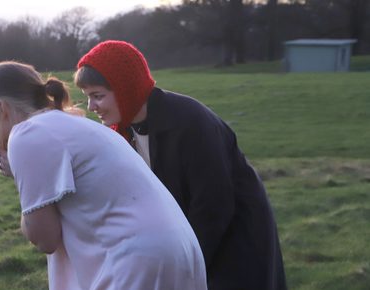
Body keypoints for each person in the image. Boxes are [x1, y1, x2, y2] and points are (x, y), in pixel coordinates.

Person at [0, 60, 207, 290]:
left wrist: (21, 180)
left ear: (2, 109)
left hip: (135, 259)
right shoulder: (77, 124)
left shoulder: (27, 133)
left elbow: (45, 238)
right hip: (178, 249)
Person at [73, 40, 287, 290]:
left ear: (125, 87)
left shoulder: (189, 122)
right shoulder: (124, 131)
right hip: (189, 241)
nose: (91, 107)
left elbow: (213, 205)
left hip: (233, 239)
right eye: (88, 97)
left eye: (98, 96)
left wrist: (184, 270)